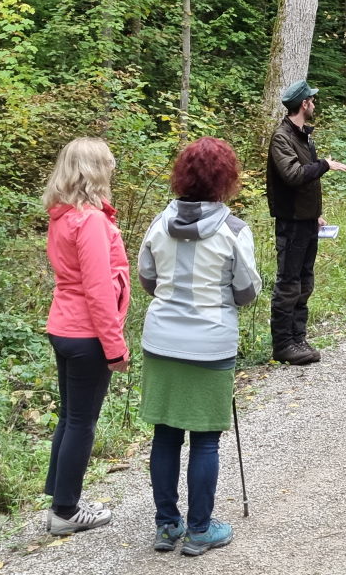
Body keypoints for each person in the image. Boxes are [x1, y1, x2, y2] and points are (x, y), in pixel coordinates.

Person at [137, 137, 262, 556]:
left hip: (162, 340)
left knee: (166, 434)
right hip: (210, 343)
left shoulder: (159, 223)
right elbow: (246, 292)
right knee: (206, 440)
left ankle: (166, 526)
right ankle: (200, 529)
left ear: (182, 175)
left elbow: (147, 278)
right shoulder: (234, 230)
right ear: (225, 179)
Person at [41, 137, 131, 535]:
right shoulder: (90, 221)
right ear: (95, 170)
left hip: (63, 327)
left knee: (70, 417)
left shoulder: (62, 215)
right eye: (108, 165)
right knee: (82, 421)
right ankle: (65, 511)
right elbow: (97, 289)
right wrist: (115, 347)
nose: (112, 171)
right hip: (86, 334)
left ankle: (61, 499)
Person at [266, 80, 346, 365]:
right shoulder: (282, 137)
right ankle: (283, 344)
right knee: (288, 283)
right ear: (304, 104)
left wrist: (315, 213)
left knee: (305, 281)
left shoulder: (303, 136)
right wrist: (325, 164)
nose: (314, 104)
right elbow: (293, 175)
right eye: (312, 100)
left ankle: (298, 338)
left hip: (306, 221)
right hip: (290, 223)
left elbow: (306, 183)